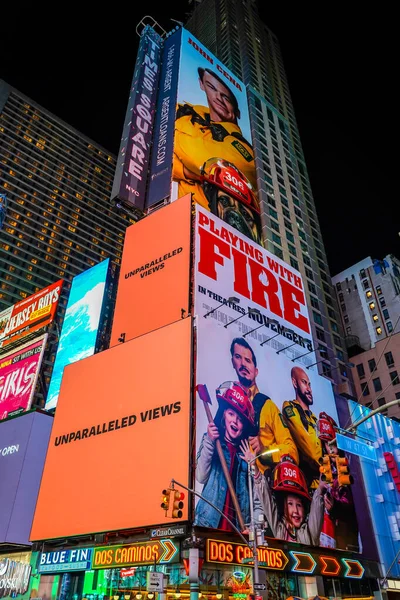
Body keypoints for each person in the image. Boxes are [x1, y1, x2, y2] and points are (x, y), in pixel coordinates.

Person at [172, 67, 262, 242]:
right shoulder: (190, 112)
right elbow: (157, 153)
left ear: (237, 111)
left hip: (217, 239)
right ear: (201, 85)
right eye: (212, 88)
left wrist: (178, 126)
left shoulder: (246, 152)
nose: (218, 99)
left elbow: (201, 158)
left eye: (226, 97)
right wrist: (190, 172)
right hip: (181, 228)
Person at [194, 380, 260, 531]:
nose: (234, 421)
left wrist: (253, 528)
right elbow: (200, 476)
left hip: (238, 533)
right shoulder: (212, 442)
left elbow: (257, 502)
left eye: (240, 419)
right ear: (224, 414)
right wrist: (210, 442)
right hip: (208, 527)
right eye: (231, 414)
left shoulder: (246, 457)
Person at [230, 337, 298, 475]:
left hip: (259, 488)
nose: (243, 364)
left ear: (256, 371)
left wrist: (265, 450)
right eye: (238, 357)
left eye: (248, 360)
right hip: (233, 488)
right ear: (233, 362)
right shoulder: (229, 402)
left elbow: (292, 451)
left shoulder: (267, 406)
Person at [241, 440, 325, 545]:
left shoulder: (309, 533)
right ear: (283, 507)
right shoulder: (279, 529)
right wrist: (254, 467)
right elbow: (267, 501)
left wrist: (320, 489)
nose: (295, 511)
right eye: (290, 504)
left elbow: (316, 512)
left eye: (299, 505)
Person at [282, 367, 322, 488]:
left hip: (323, 485)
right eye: (304, 383)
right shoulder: (290, 407)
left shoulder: (316, 419)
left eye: (309, 384)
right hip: (305, 485)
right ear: (295, 383)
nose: (309, 389)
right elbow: (312, 451)